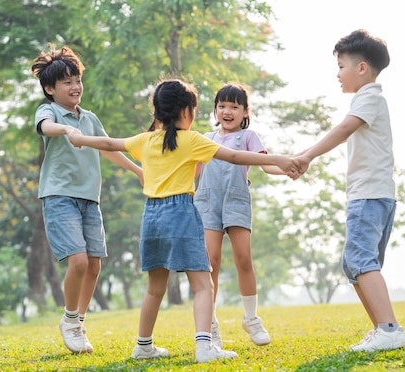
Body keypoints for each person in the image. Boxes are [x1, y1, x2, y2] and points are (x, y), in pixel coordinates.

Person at [67, 78, 299, 363]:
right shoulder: (191, 140)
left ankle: (143, 345)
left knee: (155, 286)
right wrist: (283, 159)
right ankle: (205, 346)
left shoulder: (145, 140)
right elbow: (236, 156)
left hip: (151, 216)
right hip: (181, 212)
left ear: (157, 111)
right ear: (186, 112)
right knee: (203, 285)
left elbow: (108, 142)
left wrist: (79, 138)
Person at [293, 29, 405, 352]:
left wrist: (307, 155)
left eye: (341, 66)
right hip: (374, 193)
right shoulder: (369, 99)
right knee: (355, 262)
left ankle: (389, 328)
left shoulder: (369, 96)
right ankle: (382, 328)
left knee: (360, 260)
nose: (337, 73)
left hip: (369, 194)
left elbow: (344, 130)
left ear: (361, 68)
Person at [30, 44, 143, 354]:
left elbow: (107, 148)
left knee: (94, 265)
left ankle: (78, 322)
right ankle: (68, 319)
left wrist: (138, 171)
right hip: (59, 195)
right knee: (78, 261)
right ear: (50, 89)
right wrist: (66, 129)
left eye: (77, 79)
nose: (75, 86)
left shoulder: (89, 118)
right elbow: (44, 127)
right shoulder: (50, 111)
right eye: (66, 82)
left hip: (89, 199)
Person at [194, 83, 280, 347]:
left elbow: (267, 165)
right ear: (215, 110)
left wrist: (288, 167)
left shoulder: (249, 137)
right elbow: (193, 172)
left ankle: (251, 319)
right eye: (222, 106)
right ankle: (211, 324)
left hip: (236, 201)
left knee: (244, 260)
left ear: (245, 111)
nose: (227, 111)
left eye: (234, 106)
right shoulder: (205, 138)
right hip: (207, 203)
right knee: (212, 264)